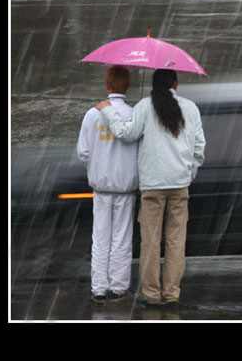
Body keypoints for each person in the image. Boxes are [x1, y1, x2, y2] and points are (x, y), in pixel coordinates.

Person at [95, 68, 205, 308]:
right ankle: (172, 293)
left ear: (154, 85)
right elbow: (199, 149)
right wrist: (188, 173)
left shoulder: (145, 106)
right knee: (176, 241)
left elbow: (126, 134)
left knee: (151, 242)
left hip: (152, 186)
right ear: (175, 85)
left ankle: (152, 295)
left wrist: (108, 112)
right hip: (180, 185)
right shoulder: (191, 108)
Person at [77, 65, 139, 305]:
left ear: (107, 85)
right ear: (129, 86)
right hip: (125, 188)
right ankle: (118, 287)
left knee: (100, 239)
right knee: (121, 239)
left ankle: (99, 288)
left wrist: (97, 167)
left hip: (101, 187)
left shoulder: (92, 115)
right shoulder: (134, 114)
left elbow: (83, 152)